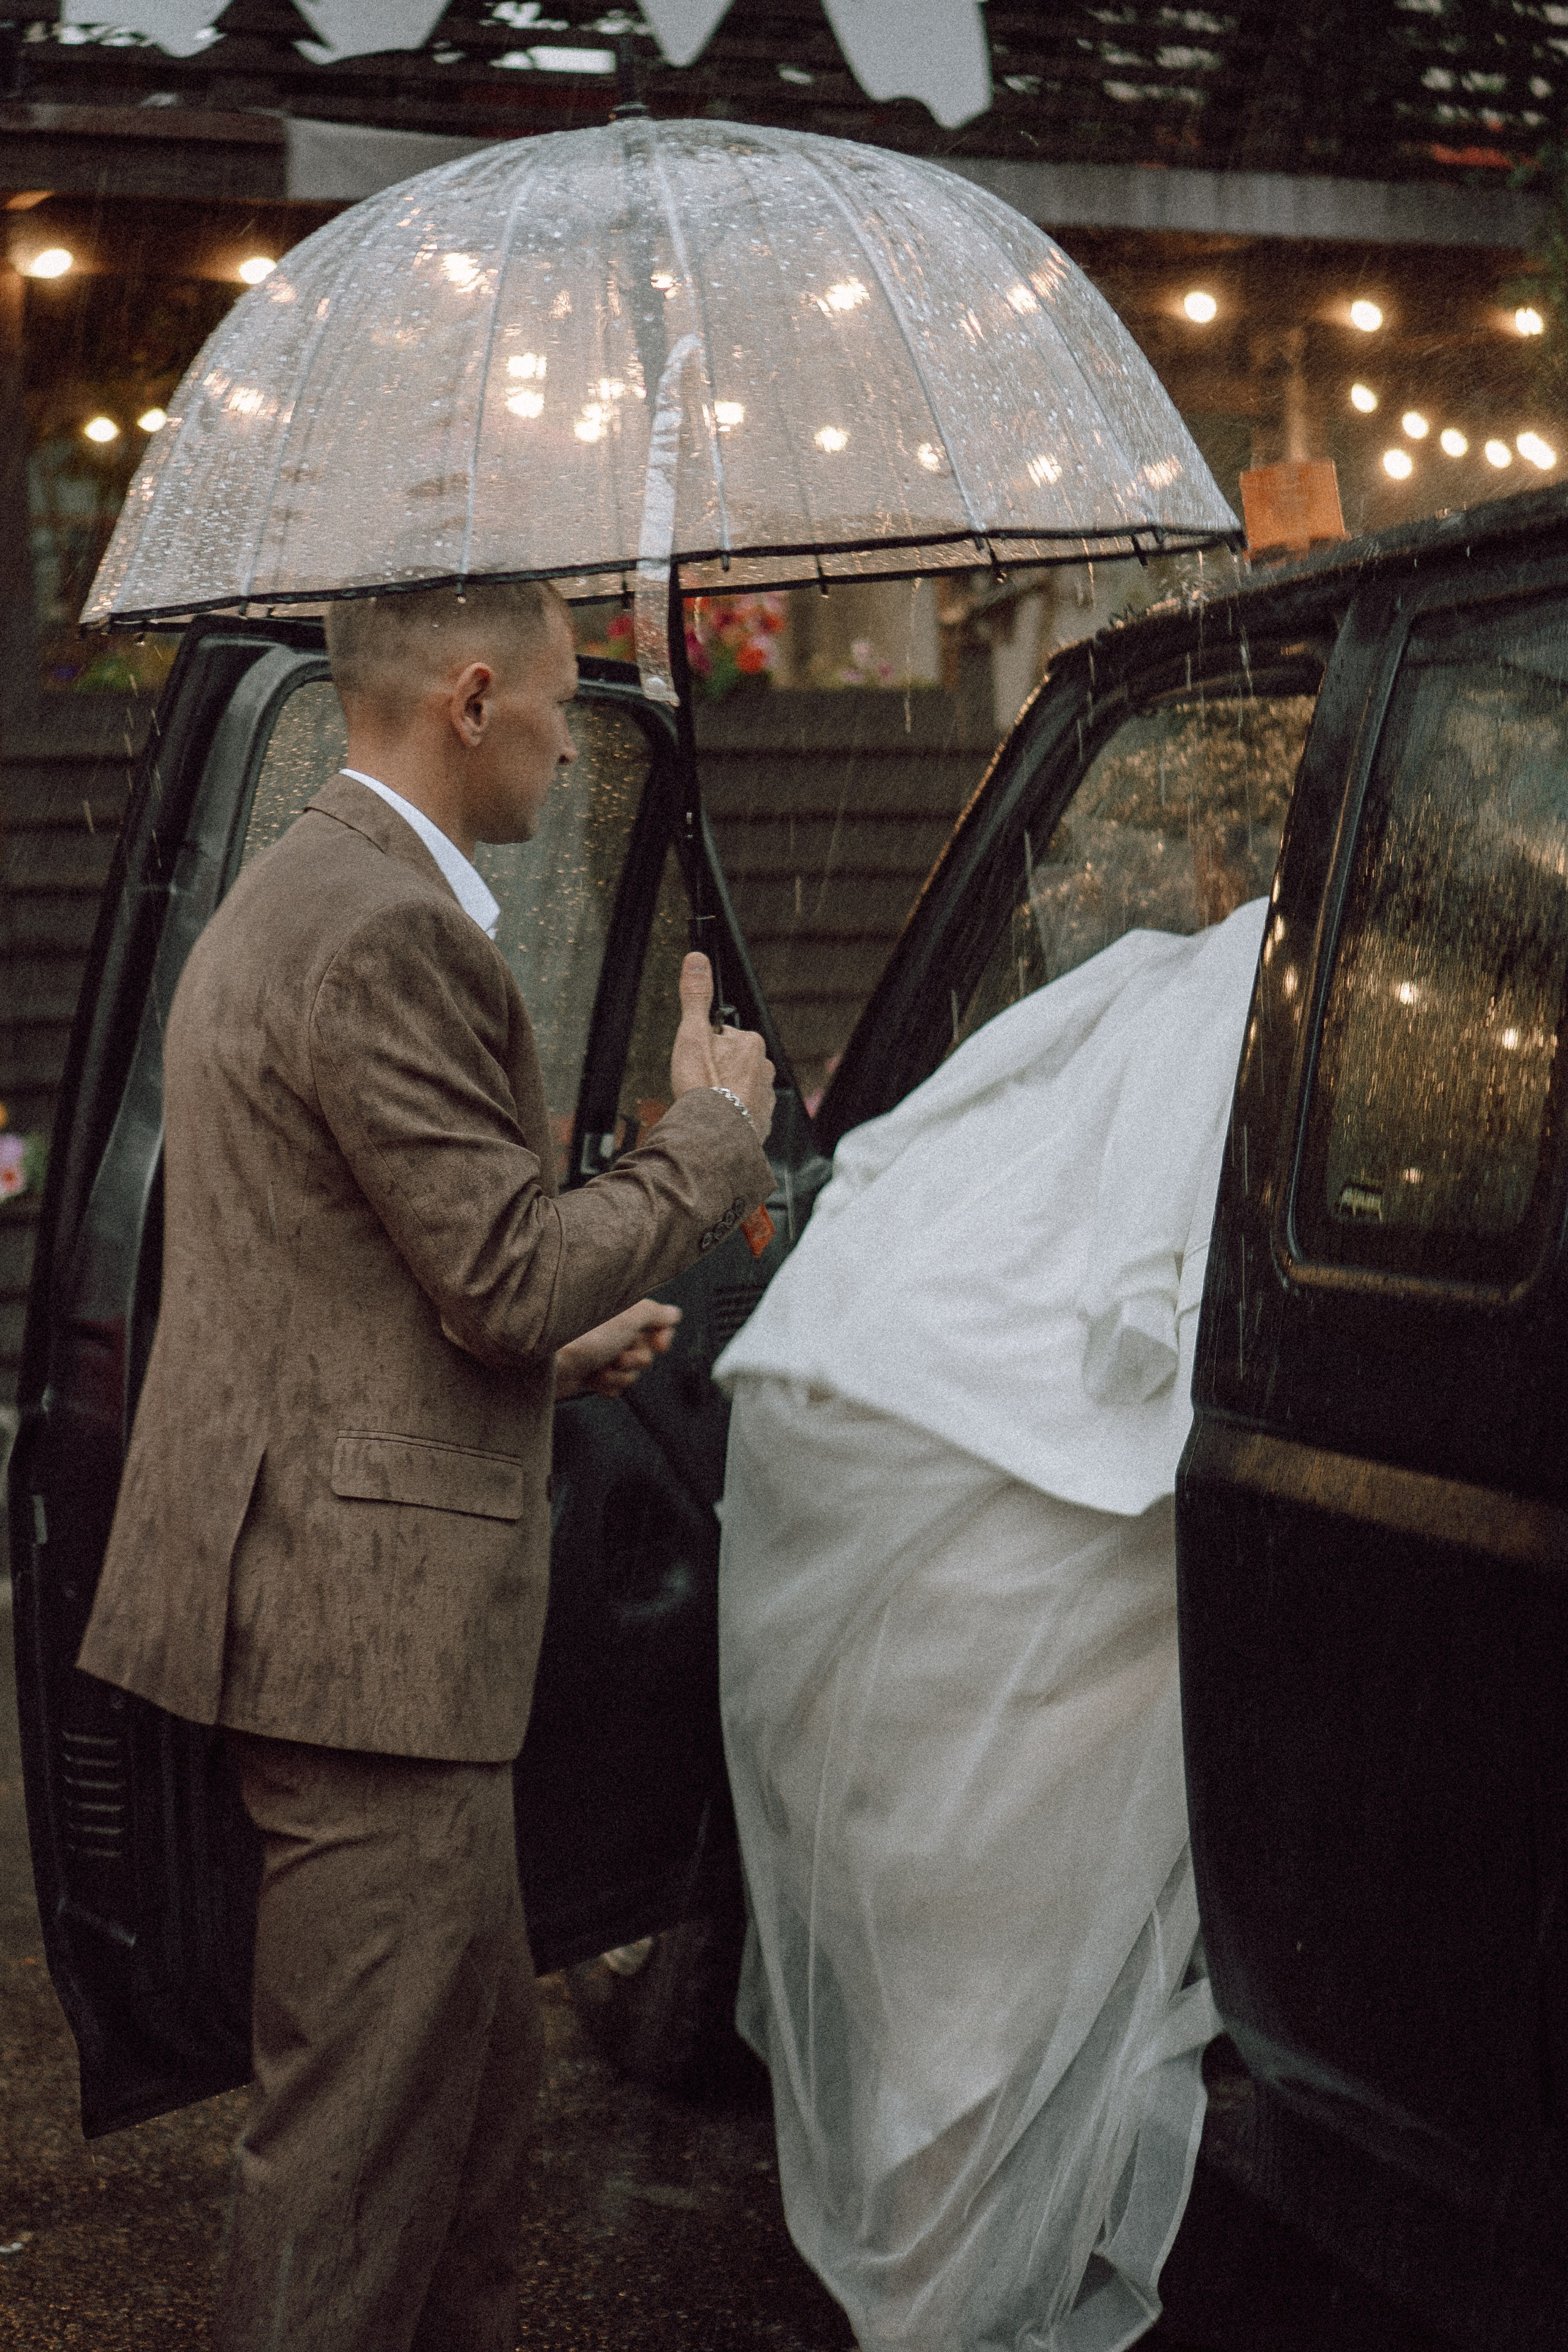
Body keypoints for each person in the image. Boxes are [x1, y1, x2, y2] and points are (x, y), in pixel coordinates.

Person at [76, 578, 776, 2352]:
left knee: (469, 2118)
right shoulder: (381, 929)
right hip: (359, 1652)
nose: (564, 737)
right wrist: (710, 1141)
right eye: (554, 702)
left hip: (352, 1625)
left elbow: (341, 1295)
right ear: (472, 698)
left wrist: (544, 1366)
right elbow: (500, 1266)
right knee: (360, 2162)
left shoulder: (301, 890)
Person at [715, 896, 1268, 2352]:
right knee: (982, 2001)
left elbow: (913, 1143)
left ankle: (929, 2287)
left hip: (950, 1582)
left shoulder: (1152, 997)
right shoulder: (1247, 1002)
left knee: (951, 2007)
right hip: (1038, 1568)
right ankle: (941, 2291)